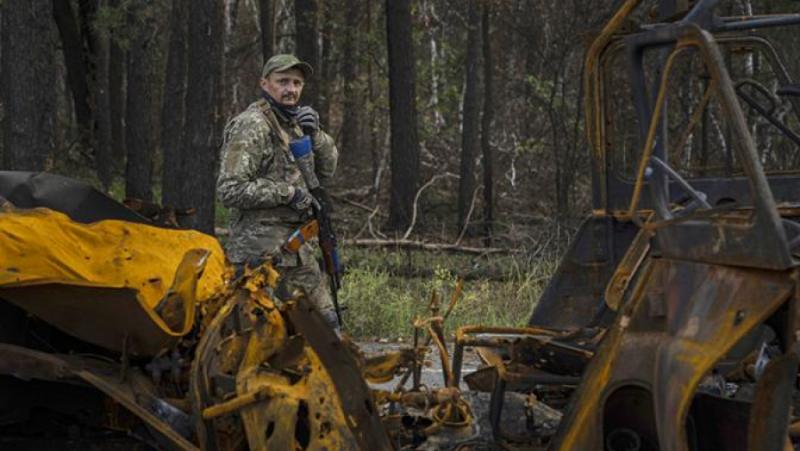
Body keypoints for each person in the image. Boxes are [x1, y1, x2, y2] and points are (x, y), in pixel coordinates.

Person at [217, 54, 339, 328]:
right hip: (258, 255)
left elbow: (327, 171)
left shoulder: (296, 124)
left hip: (297, 252)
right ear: (265, 84)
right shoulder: (252, 124)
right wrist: (289, 194)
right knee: (256, 336)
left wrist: (316, 135)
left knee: (326, 325)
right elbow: (230, 189)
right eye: (283, 81)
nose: (291, 89)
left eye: (297, 83)